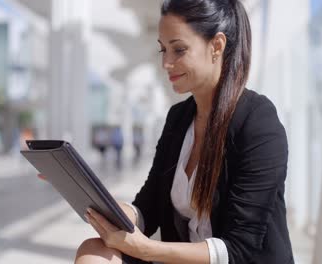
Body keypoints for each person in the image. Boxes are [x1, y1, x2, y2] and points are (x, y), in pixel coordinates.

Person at [75, 0, 293, 263]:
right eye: (163, 50)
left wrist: (144, 248)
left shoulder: (257, 121)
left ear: (217, 46)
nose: (166, 62)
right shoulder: (178, 118)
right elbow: (149, 207)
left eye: (178, 49)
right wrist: (106, 208)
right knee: (93, 251)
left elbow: (239, 248)